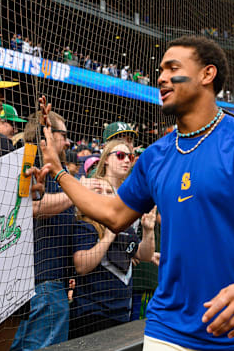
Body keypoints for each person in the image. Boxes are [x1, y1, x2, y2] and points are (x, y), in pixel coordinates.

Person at [38, 35, 234, 350]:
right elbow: (113, 214)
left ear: (206, 75)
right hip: (166, 331)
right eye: (161, 70)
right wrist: (60, 171)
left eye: (174, 68)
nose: (161, 77)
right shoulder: (155, 157)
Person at [70, 140, 156, 339]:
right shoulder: (87, 222)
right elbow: (81, 265)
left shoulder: (128, 205)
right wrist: (109, 235)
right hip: (93, 313)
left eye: (130, 157)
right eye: (120, 155)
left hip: (121, 309)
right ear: (105, 159)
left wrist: (148, 230)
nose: (126, 160)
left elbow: (140, 253)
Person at [11, 109, 75, 351]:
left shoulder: (59, 171)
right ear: (45, 134)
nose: (68, 141)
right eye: (63, 134)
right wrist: (79, 191)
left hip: (51, 282)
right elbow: (30, 209)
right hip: (41, 283)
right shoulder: (32, 165)